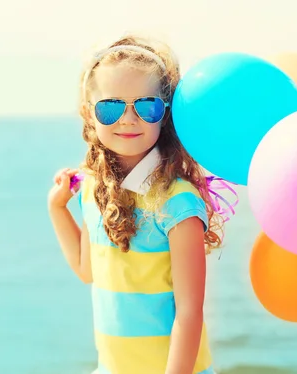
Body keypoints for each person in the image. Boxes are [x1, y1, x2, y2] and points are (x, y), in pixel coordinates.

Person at [47, 34, 227, 374]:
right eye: (112, 106)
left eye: (145, 106)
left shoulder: (178, 203)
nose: (129, 119)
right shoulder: (93, 189)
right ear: (89, 112)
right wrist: (57, 209)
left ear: (164, 113)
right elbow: (89, 270)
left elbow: (189, 312)